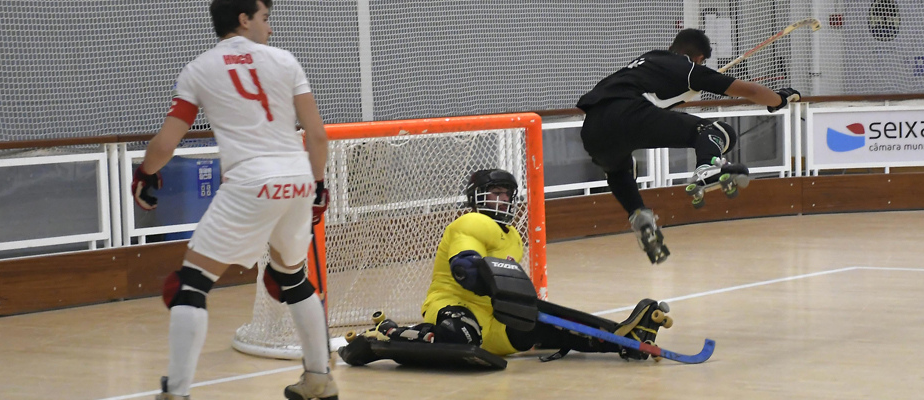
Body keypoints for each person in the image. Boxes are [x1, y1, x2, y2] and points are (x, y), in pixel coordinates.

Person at [131, 1, 336, 398]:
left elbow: (165, 144)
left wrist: (145, 174)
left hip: (251, 181)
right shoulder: (285, 60)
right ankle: (319, 379)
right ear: (243, 19)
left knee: (188, 285)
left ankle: (175, 392)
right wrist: (318, 186)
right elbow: (317, 135)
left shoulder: (199, 69)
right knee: (293, 279)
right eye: (265, 18)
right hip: (297, 179)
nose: (270, 29)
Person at [339, 169, 674, 367]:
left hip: (493, 318)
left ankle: (624, 339)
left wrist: (522, 307)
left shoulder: (513, 235)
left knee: (539, 322)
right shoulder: (470, 221)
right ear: (475, 198)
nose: (501, 200)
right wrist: (494, 285)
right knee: (462, 336)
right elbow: (465, 269)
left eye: (506, 195)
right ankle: (388, 332)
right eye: (494, 193)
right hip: (454, 306)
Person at [576, 28, 802, 264]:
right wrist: (779, 99)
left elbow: (653, 101)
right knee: (716, 131)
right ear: (699, 58)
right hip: (632, 113)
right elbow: (752, 91)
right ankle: (708, 168)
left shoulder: (649, 59)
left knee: (619, 170)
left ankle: (639, 215)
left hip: (593, 127)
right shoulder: (690, 70)